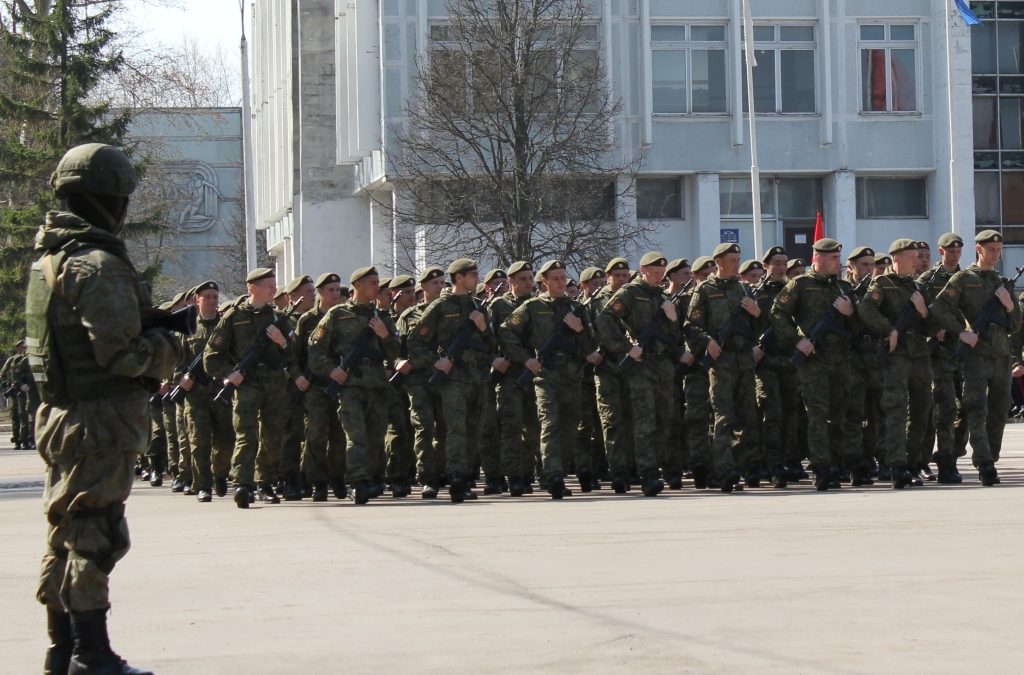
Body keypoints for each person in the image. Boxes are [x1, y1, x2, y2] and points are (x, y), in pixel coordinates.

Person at [28, 143, 180, 674]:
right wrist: (169, 344)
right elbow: (122, 357)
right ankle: (91, 655)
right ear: (109, 199)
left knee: (66, 529)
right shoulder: (97, 265)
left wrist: (149, 318)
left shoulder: (50, 261)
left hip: (64, 416)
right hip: (100, 421)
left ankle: (62, 648)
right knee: (95, 532)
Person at [498, 260, 600, 498]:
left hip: (572, 376)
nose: (561, 282)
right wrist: (525, 359)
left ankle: (557, 471)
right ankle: (553, 476)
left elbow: (591, 346)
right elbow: (506, 331)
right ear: (544, 281)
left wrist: (580, 330)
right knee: (550, 425)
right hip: (546, 376)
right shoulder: (533, 307)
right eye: (555, 278)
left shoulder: (577, 309)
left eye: (563, 278)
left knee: (570, 428)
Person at [929, 230, 1022, 486]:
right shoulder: (963, 279)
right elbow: (938, 308)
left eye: (999, 249)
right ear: (979, 250)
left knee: (999, 410)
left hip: (1001, 356)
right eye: (991, 249)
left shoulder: (1002, 282)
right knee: (976, 409)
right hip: (977, 358)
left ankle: (991, 455)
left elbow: (1016, 326)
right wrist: (961, 332)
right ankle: (984, 463)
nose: (997, 254)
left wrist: (1011, 306)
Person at [309, 266, 401, 503]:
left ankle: (371, 478)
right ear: (357, 285)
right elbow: (316, 350)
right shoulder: (338, 315)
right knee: (356, 435)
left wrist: (385, 336)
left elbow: (396, 353)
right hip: (350, 385)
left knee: (376, 436)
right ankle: (357, 481)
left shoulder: (382, 317)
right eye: (372, 283)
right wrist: (333, 370)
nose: (377, 287)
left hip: (377, 385)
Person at [770, 238, 857, 491]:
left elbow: (858, 326)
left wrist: (850, 313)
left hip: (841, 360)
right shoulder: (800, 285)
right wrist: (797, 340)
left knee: (839, 415)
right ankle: (821, 467)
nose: (836, 263)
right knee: (817, 416)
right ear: (817, 258)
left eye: (838, 258)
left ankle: (837, 463)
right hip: (814, 361)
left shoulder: (843, 288)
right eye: (831, 258)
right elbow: (778, 314)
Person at [407, 259, 496, 502]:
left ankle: (465, 477)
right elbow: (415, 344)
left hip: (478, 378)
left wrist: (483, 327)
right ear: (459, 278)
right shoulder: (439, 307)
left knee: (474, 430)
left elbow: (492, 346)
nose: (477, 278)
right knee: (455, 429)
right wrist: (435, 362)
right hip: (454, 380)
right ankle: (455, 477)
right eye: (472, 275)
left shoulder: (479, 307)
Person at [204, 268, 293, 508]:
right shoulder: (233, 317)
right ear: (252, 288)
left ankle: (265, 482)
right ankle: (243, 483)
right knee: (246, 433)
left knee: (273, 434)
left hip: (274, 383)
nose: (273, 290)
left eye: (274, 286)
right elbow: (211, 357)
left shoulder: (278, 318)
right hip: (247, 383)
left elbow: (295, 355)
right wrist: (229, 374)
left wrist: (282, 342)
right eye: (268, 286)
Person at [595, 252, 681, 496]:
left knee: (665, 420)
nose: (658, 277)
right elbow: (605, 319)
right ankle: (648, 474)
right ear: (643, 270)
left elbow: (674, 339)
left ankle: (662, 466)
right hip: (641, 368)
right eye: (654, 272)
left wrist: (673, 319)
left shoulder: (664, 296)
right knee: (645, 422)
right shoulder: (631, 293)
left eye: (661, 273)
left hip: (663, 366)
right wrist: (625, 348)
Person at [685, 244, 764, 492]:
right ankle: (724, 470)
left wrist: (758, 313)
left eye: (738, 259)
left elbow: (760, 328)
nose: (735, 263)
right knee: (723, 417)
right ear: (718, 262)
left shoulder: (743, 289)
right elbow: (690, 325)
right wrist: (707, 342)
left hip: (745, 362)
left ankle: (744, 467)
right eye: (732, 259)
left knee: (748, 417)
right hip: (721, 363)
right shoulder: (704, 290)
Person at [857, 239, 933, 488]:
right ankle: (897, 466)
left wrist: (923, 313)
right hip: (896, 357)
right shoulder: (882, 284)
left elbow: (932, 325)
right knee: (896, 410)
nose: (916, 260)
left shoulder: (917, 286)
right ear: (897, 258)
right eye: (912, 256)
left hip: (919, 355)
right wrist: (888, 330)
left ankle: (912, 463)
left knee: (922, 411)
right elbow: (866, 310)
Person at [176, 281, 235, 502]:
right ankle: (203, 485)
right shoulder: (188, 327)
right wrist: (180, 379)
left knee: (225, 440)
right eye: (207, 296)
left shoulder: (226, 325)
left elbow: (234, 355)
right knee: (199, 441)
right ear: (196, 300)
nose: (212, 300)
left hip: (220, 391)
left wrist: (226, 374)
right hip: (196, 394)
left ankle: (220, 474)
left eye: (214, 296)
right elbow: (177, 359)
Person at [294, 273, 349, 501]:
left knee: (340, 435)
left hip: (342, 384)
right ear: (320, 292)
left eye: (338, 290)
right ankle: (317, 482)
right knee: (316, 434)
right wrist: (297, 376)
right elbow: (295, 354)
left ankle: (338, 478)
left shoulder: (347, 317)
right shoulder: (307, 320)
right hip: (316, 385)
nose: (335, 294)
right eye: (331, 290)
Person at [918, 233, 968, 484]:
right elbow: (919, 312)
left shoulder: (967, 279)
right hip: (939, 354)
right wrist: (931, 328)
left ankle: (952, 453)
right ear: (941, 252)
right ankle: (945, 462)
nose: (955, 254)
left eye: (958, 250)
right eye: (950, 250)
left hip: (965, 352)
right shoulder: (928, 280)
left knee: (967, 409)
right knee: (945, 408)